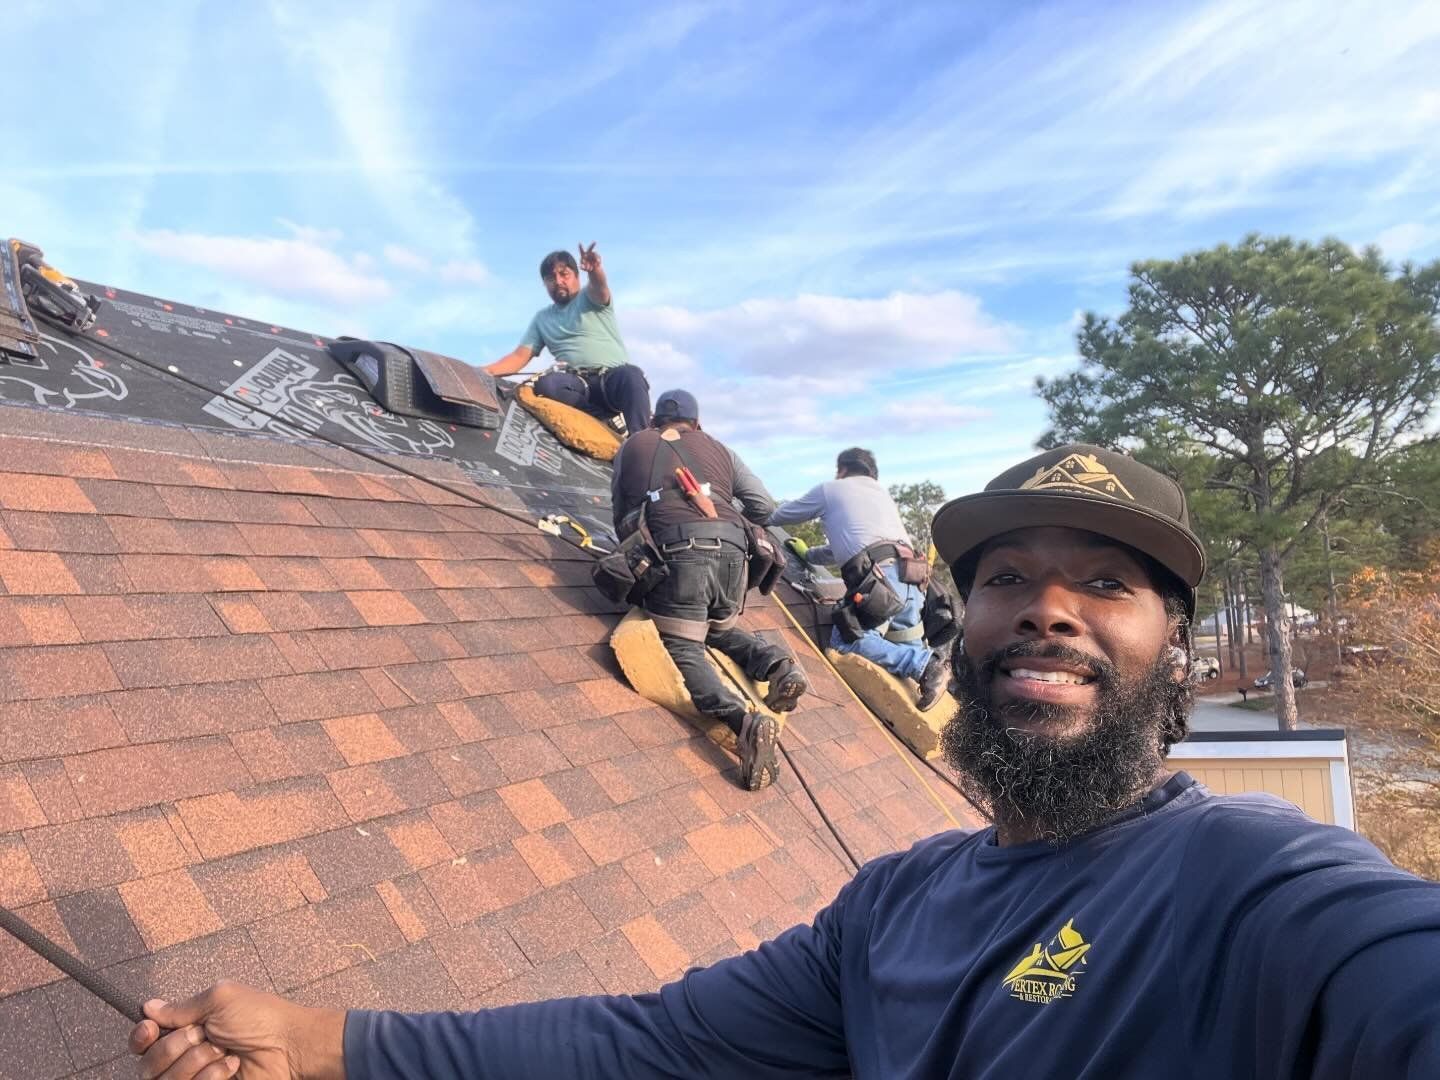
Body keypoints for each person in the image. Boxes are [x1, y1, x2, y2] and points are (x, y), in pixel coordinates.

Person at [131, 443, 1440, 1079]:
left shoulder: (1259, 889)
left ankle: (740, 678)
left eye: (1106, 583)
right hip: (763, 584)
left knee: (689, 636)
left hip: (713, 580)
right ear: (961, 627)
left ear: (1176, 646)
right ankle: (757, 682)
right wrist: (324, 1040)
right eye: (1009, 580)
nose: (1049, 607)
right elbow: (650, 1043)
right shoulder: (893, 908)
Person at [610, 388, 807, 791]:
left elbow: (619, 514)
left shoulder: (635, 444)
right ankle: (777, 665)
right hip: (735, 552)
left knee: (684, 645)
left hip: (679, 549)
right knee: (717, 628)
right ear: (697, 424)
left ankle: (743, 723)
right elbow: (765, 508)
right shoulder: (721, 449)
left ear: (653, 422)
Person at [769, 447, 949, 709]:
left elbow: (780, 516)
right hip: (914, 579)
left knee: (846, 644)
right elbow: (848, 545)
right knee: (900, 657)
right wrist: (809, 554)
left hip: (881, 582)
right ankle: (930, 675)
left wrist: (761, 514)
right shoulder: (881, 495)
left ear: (842, 470)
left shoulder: (832, 489)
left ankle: (924, 665)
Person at [483, 244, 652, 435]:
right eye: (550, 278)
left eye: (564, 274)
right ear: (545, 284)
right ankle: (604, 421)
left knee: (632, 376)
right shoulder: (542, 319)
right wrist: (483, 372)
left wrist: (595, 270)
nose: (558, 281)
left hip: (612, 380)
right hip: (578, 386)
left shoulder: (590, 298)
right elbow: (518, 357)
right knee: (546, 385)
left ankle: (642, 442)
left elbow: (600, 286)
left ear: (577, 276)